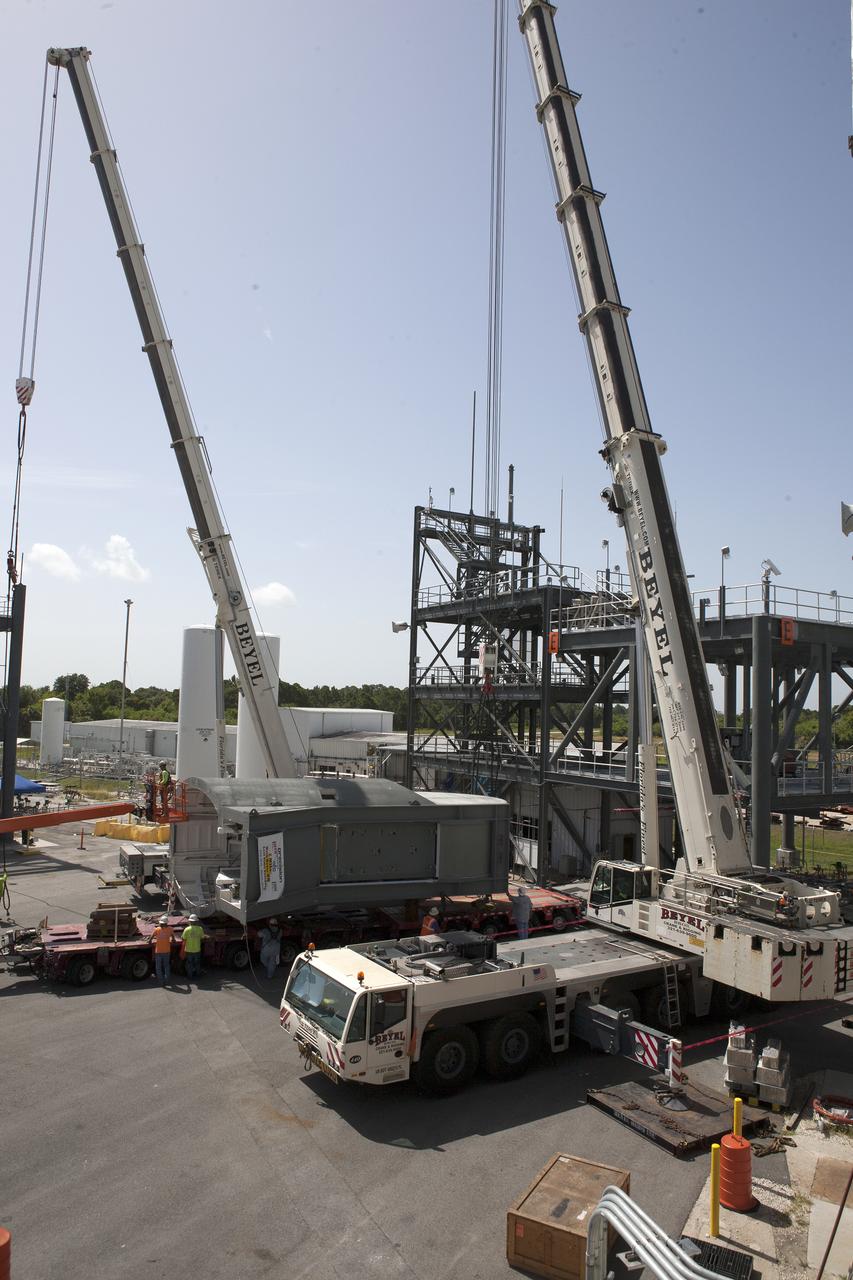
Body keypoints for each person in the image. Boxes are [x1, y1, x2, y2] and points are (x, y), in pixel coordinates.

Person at [151, 914, 174, 985]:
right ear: (166, 923)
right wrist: (173, 940)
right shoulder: (170, 929)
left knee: (158, 967)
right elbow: (173, 936)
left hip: (158, 951)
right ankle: (167, 980)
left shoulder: (157, 929)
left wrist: (149, 941)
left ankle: (161, 981)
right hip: (167, 951)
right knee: (166, 966)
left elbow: (152, 936)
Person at [182, 913, 205, 981]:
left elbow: (183, 938)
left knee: (189, 963)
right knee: (197, 963)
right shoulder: (200, 929)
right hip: (197, 949)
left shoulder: (187, 929)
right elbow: (202, 937)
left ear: (190, 921)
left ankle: (190, 976)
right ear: (196, 921)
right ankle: (198, 975)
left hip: (189, 950)